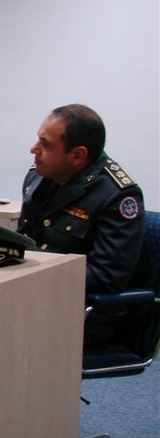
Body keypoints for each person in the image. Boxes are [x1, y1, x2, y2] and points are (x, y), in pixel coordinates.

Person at [18, 104, 145, 295]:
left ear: (77, 155)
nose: (33, 149)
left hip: (77, 301)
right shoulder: (37, 177)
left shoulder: (116, 195)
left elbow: (106, 277)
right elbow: (23, 240)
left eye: (45, 144)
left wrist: (33, 274)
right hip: (33, 289)